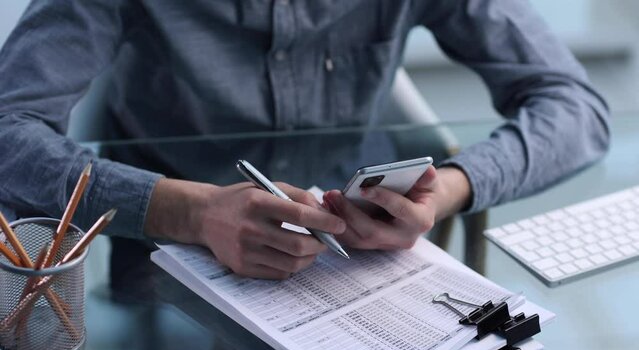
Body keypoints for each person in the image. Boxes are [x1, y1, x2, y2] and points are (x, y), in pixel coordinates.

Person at [0, 1, 609, 280]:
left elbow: (577, 109)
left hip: (356, 256)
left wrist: (445, 190)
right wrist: (191, 211)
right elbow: (8, 130)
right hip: (160, 254)